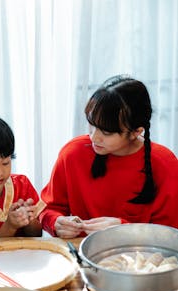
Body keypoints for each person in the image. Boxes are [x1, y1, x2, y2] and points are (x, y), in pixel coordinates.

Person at [39, 75, 178, 238]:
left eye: (107, 132)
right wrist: (56, 222)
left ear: (136, 132)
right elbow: (47, 208)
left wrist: (123, 229)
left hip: (141, 259)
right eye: (92, 124)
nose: (94, 137)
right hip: (78, 255)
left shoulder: (164, 163)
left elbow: (170, 234)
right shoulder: (72, 153)